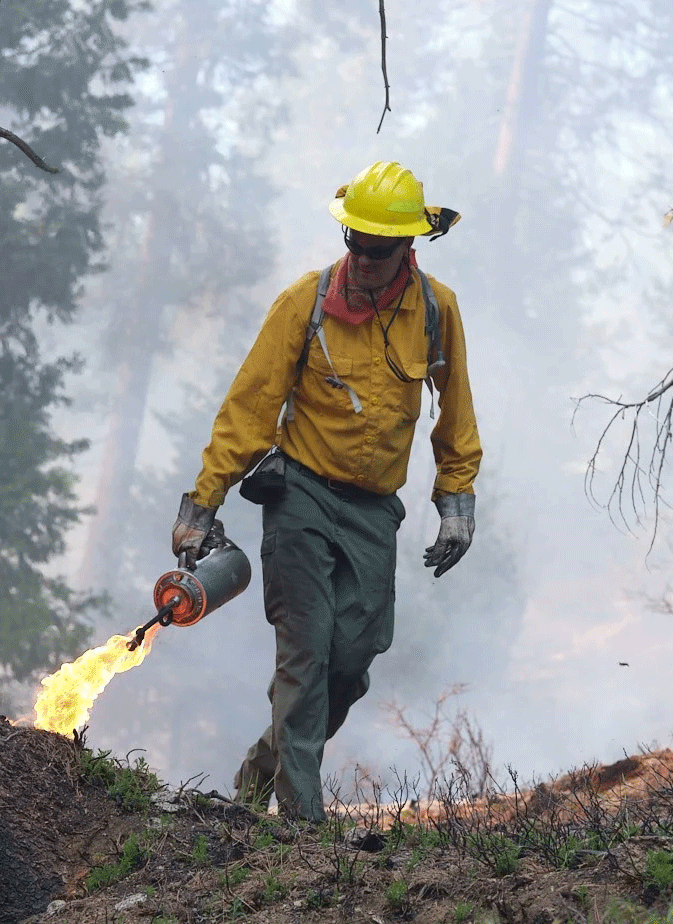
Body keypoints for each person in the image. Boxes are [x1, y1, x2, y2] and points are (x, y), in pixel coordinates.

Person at [171, 161, 482, 822]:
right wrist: (202, 503)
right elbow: (248, 410)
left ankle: (262, 768)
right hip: (301, 497)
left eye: (378, 248)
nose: (363, 258)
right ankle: (302, 833)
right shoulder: (302, 304)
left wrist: (456, 505)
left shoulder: (435, 311)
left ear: (409, 247)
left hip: (374, 512)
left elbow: (454, 415)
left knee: (351, 663)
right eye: (355, 243)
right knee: (306, 655)